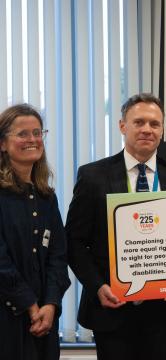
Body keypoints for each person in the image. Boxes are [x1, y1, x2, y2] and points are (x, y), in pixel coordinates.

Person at [66, 93, 166, 360]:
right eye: (139, 122)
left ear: (162, 130)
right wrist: (97, 286)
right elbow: (74, 241)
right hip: (112, 307)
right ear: (123, 126)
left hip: (164, 311)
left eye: (155, 124)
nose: (147, 129)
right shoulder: (92, 176)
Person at [0, 104, 70, 360]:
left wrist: (50, 304)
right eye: (22, 134)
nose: (32, 140)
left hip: (43, 320)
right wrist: (30, 305)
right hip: (6, 320)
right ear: (3, 144)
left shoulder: (46, 197)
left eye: (38, 133)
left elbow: (58, 257)